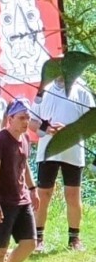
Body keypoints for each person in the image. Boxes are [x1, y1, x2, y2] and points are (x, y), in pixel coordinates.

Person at [31, 74, 95, 252]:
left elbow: (91, 122)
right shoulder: (44, 90)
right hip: (48, 151)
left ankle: (74, 239)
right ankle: (38, 239)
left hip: (73, 152)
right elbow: (31, 121)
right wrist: (47, 129)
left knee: (73, 195)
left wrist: (69, 130)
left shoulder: (83, 90)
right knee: (43, 195)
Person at [0, 100, 40, 262]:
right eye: (21, 118)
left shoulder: (25, 138)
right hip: (2, 201)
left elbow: (24, 166)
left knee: (30, 243)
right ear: (10, 119)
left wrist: (33, 189)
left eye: (28, 117)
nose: (26, 122)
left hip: (22, 198)